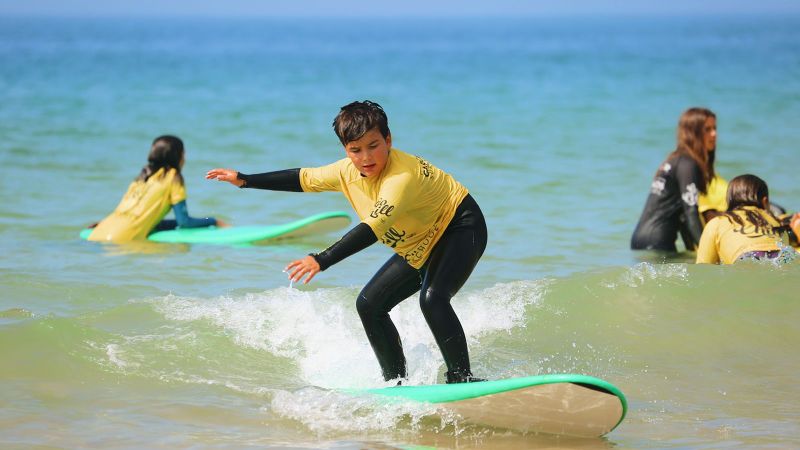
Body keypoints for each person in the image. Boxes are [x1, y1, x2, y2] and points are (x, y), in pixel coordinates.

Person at [206, 101, 487, 384]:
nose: (366, 157)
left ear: (388, 140)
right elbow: (303, 178)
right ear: (346, 150)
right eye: (356, 150)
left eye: (374, 145)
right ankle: (396, 384)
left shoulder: (402, 177)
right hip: (417, 243)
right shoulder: (346, 172)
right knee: (369, 305)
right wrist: (245, 180)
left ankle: (462, 378)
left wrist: (322, 259)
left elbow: (371, 229)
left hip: (459, 226)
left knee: (433, 299)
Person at [89, 135, 226, 242]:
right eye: (184, 154)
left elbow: (132, 213)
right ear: (178, 157)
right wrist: (213, 221)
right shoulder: (173, 177)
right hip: (121, 239)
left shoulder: (141, 177)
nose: (185, 158)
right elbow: (184, 223)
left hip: (98, 232)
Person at [631, 107, 718, 251]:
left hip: (641, 239)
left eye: (714, 128)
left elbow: (683, 217)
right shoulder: (688, 164)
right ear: (693, 133)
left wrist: (694, 252)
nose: (714, 134)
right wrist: (710, 257)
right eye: (707, 129)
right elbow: (691, 213)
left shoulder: (676, 160)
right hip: (657, 242)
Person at [696, 174, 793, 264]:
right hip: (782, 258)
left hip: (747, 260)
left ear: (728, 201)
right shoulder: (776, 221)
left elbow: (703, 266)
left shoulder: (717, 222)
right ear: (765, 202)